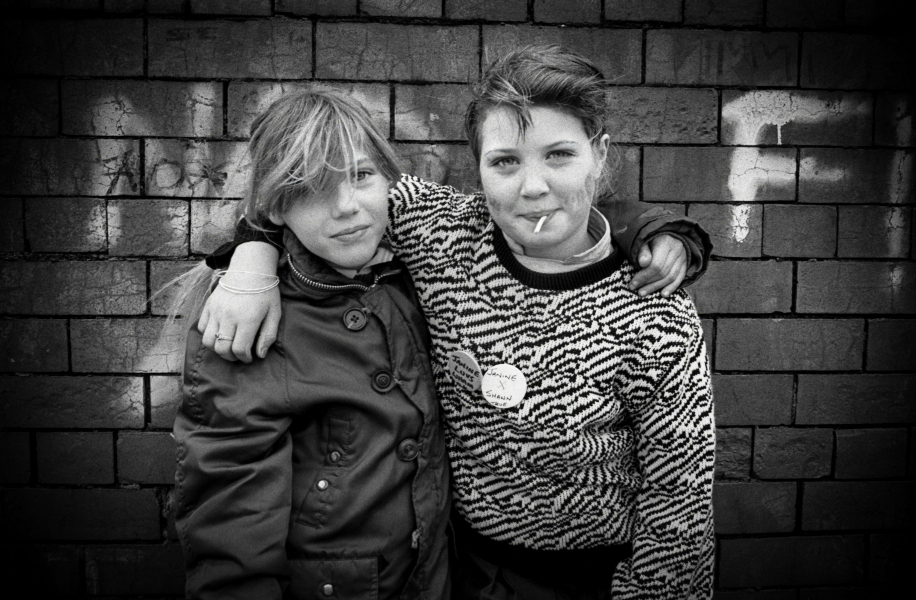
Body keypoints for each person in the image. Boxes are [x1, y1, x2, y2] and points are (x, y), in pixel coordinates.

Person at [205, 45, 715, 599]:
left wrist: (655, 226)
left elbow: (680, 496)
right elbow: (311, 188)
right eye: (505, 162)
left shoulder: (656, 310)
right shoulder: (442, 232)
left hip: (595, 578)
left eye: (560, 155)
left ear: (600, 154)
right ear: (479, 170)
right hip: (461, 569)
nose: (533, 186)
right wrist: (251, 260)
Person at [171, 90, 451, 600]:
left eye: (362, 175)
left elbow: (522, 206)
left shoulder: (419, 268)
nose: (348, 206)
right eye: (315, 188)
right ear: (275, 207)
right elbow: (231, 504)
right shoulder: (249, 320)